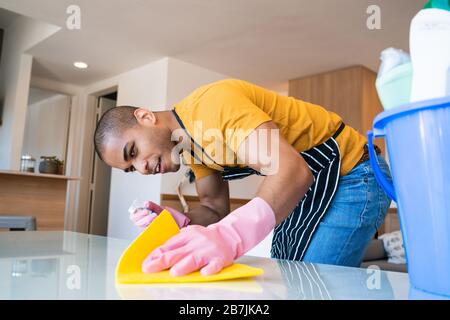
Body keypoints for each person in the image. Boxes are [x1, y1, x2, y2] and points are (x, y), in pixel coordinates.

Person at [94, 78, 392, 276]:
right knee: (292, 277)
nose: (141, 168)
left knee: (315, 284)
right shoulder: (190, 149)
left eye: (132, 152)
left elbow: (291, 170)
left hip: (353, 175)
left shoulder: (212, 107)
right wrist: (175, 221)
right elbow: (214, 209)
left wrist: (230, 236)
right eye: (131, 168)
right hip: (311, 188)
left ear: (145, 117)